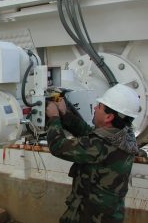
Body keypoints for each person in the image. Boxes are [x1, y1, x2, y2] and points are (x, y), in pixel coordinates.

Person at [45, 84, 140, 223]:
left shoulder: (100, 146)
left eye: (99, 106)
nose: (95, 108)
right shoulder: (124, 135)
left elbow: (57, 146)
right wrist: (64, 113)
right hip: (109, 214)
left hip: (90, 216)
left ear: (109, 117)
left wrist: (54, 117)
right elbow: (88, 133)